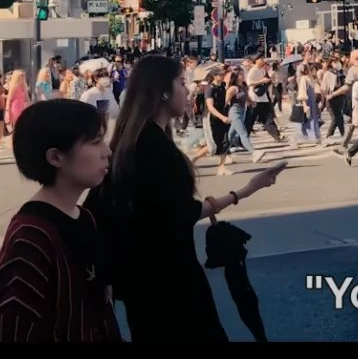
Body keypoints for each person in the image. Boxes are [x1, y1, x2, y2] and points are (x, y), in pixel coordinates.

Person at [86, 55, 286, 342]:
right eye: (181, 83)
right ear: (163, 91)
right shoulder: (155, 147)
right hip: (171, 279)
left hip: (141, 282)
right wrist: (246, 190)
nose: (188, 89)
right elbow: (183, 213)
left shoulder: (130, 143)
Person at [0, 100, 120, 342]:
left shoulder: (84, 217)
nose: (107, 151)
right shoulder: (31, 235)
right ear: (56, 156)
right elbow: (15, 329)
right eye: (95, 141)